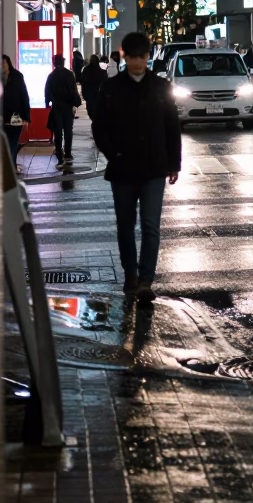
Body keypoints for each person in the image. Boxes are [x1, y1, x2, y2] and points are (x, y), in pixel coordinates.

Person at [92, 31, 181, 303]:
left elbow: (171, 126)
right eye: (132, 57)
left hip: (154, 167)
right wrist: (113, 154)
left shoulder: (160, 86)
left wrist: (174, 163)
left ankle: (145, 280)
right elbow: (99, 126)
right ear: (125, 57)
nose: (137, 62)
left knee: (151, 226)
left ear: (147, 57)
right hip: (123, 168)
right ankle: (130, 275)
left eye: (142, 57)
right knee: (125, 226)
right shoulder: (111, 88)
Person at [44, 54, 81, 167]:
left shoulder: (52, 75)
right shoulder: (69, 74)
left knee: (58, 130)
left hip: (57, 106)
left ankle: (59, 150)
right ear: (63, 62)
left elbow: (47, 90)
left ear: (55, 63)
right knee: (68, 130)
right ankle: (68, 153)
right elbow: (74, 90)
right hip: (68, 106)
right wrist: (76, 102)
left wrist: (47, 103)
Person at [2, 54, 30, 166]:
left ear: (8, 63)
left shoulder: (17, 76)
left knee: (13, 143)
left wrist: (26, 118)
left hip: (15, 116)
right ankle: (8, 167)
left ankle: (11, 167)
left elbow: (24, 96)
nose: (2, 66)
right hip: (1, 117)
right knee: (4, 145)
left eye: (4, 63)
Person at [80, 54, 105, 121]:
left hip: (89, 93)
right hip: (98, 94)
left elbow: (82, 80)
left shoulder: (86, 70)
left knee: (90, 108)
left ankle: (93, 120)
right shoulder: (102, 72)